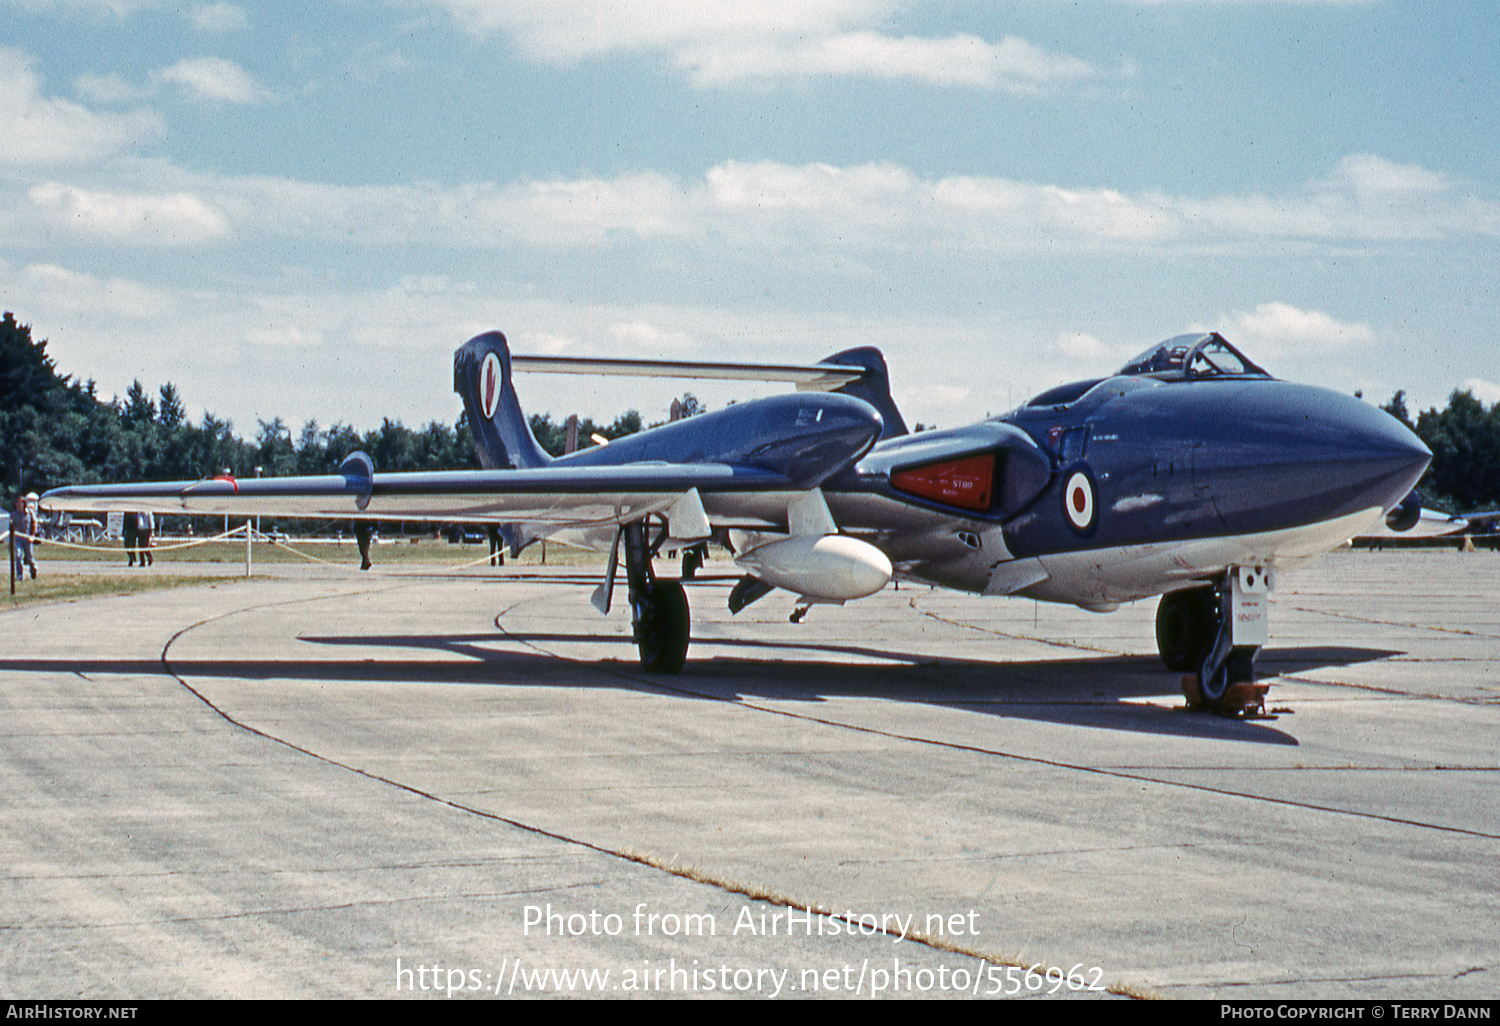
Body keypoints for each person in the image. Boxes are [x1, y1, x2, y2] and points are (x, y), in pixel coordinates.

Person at [13, 494, 37, 580]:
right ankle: (20, 575)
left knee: (29, 556)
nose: (19, 505)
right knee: (18, 555)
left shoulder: (29, 513)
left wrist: (32, 536)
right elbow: (11, 526)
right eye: (17, 503)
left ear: (24, 504)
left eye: (21, 503)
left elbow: (34, 524)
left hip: (27, 537)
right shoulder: (14, 514)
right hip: (18, 538)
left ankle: (33, 570)